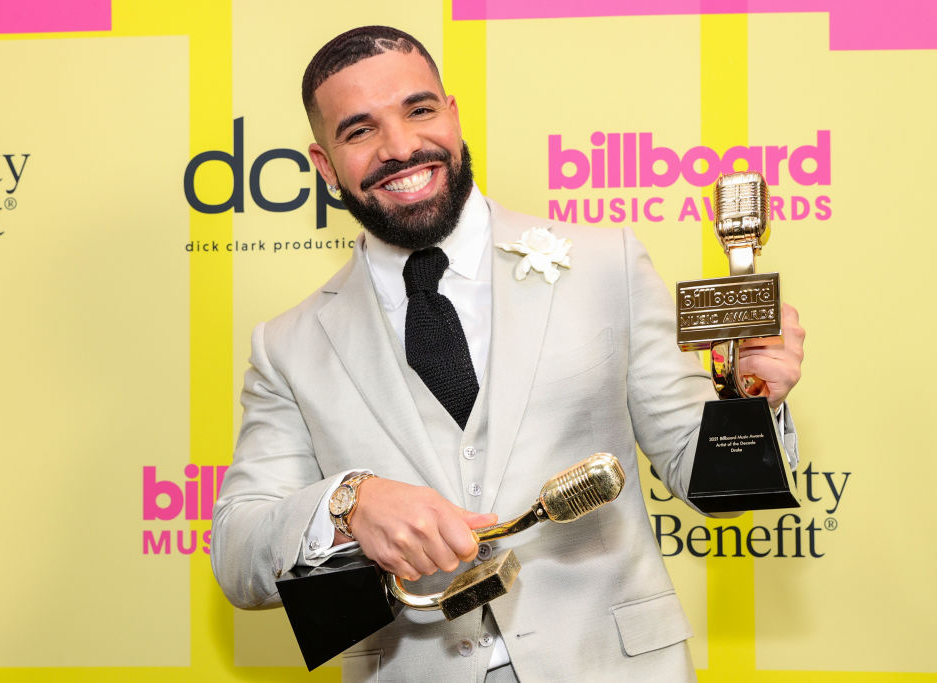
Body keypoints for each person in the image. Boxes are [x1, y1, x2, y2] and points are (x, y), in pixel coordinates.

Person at [211, 25, 805, 683]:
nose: (402, 146)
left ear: (453, 112)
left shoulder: (606, 264)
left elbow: (711, 482)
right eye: (359, 131)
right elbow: (239, 553)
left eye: (419, 110)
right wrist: (348, 501)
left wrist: (751, 402)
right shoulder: (289, 345)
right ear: (325, 165)